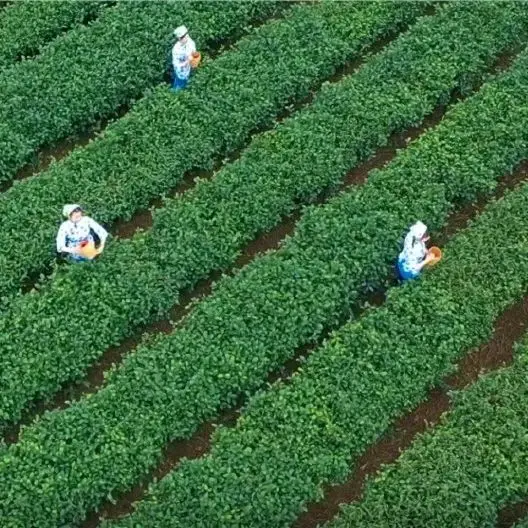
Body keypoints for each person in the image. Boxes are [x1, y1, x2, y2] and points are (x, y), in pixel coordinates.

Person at [171, 25, 196, 91]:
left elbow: (193, 52)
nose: (186, 37)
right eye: (181, 37)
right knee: (178, 87)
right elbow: (176, 64)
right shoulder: (176, 49)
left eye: (185, 35)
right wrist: (187, 62)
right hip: (181, 73)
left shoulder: (190, 42)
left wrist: (192, 58)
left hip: (189, 70)